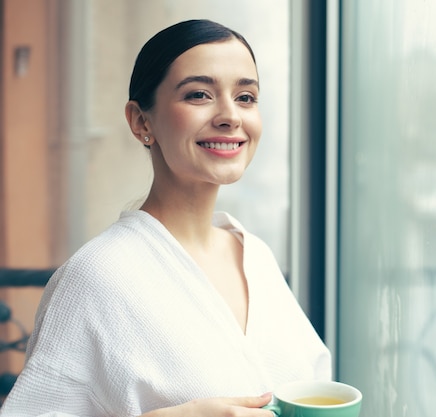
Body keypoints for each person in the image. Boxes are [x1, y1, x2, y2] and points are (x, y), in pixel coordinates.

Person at [0, 19, 331, 416]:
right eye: (198, 95)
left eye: (246, 97)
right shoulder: (95, 278)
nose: (231, 116)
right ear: (142, 122)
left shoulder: (256, 257)